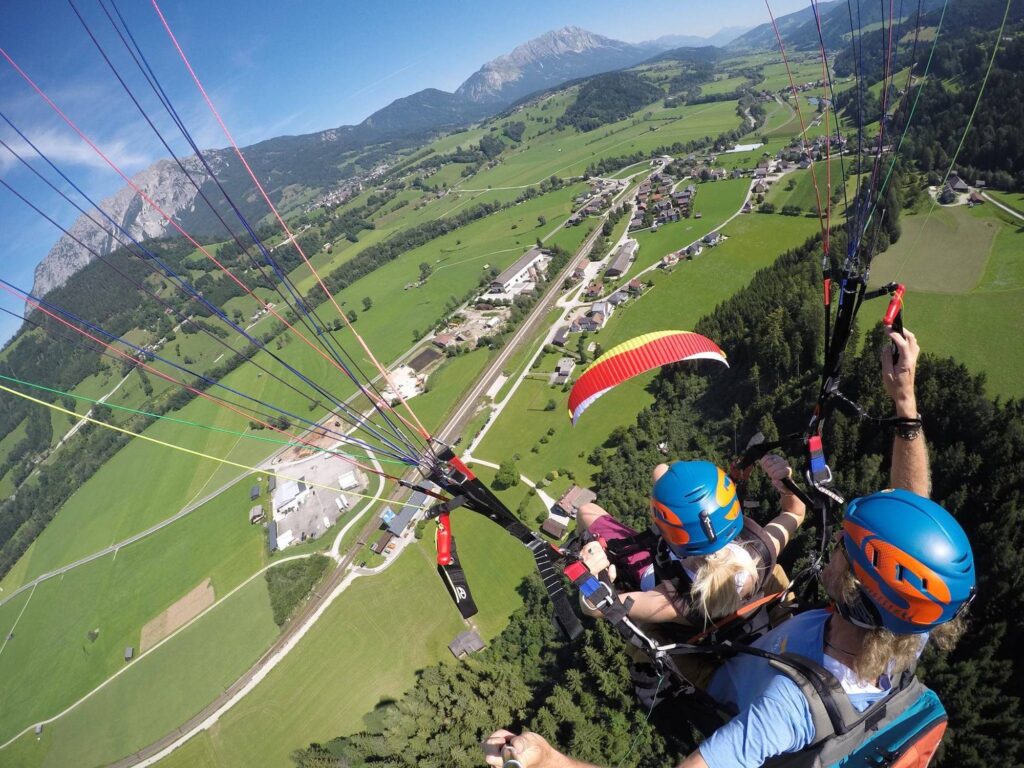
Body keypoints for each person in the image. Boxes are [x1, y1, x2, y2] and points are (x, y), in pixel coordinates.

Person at [483, 328, 976, 768]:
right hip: (773, 637)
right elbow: (910, 521)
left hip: (724, 672)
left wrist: (548, 761)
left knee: (640, 619)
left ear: (853, 592)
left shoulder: (782, 711)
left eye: (845, 550)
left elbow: (622, 609)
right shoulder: (909, 625)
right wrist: (904, 403)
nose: (834, 551)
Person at [575, 454, 806, 629]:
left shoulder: (670, 601)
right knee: (661, 471)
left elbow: (595, 607)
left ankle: (598, 555)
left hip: (649, 571)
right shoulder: (760, 552)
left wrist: (589, 573)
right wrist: (787, 486)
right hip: (684, 559)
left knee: (586, 511)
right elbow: (795, 513)